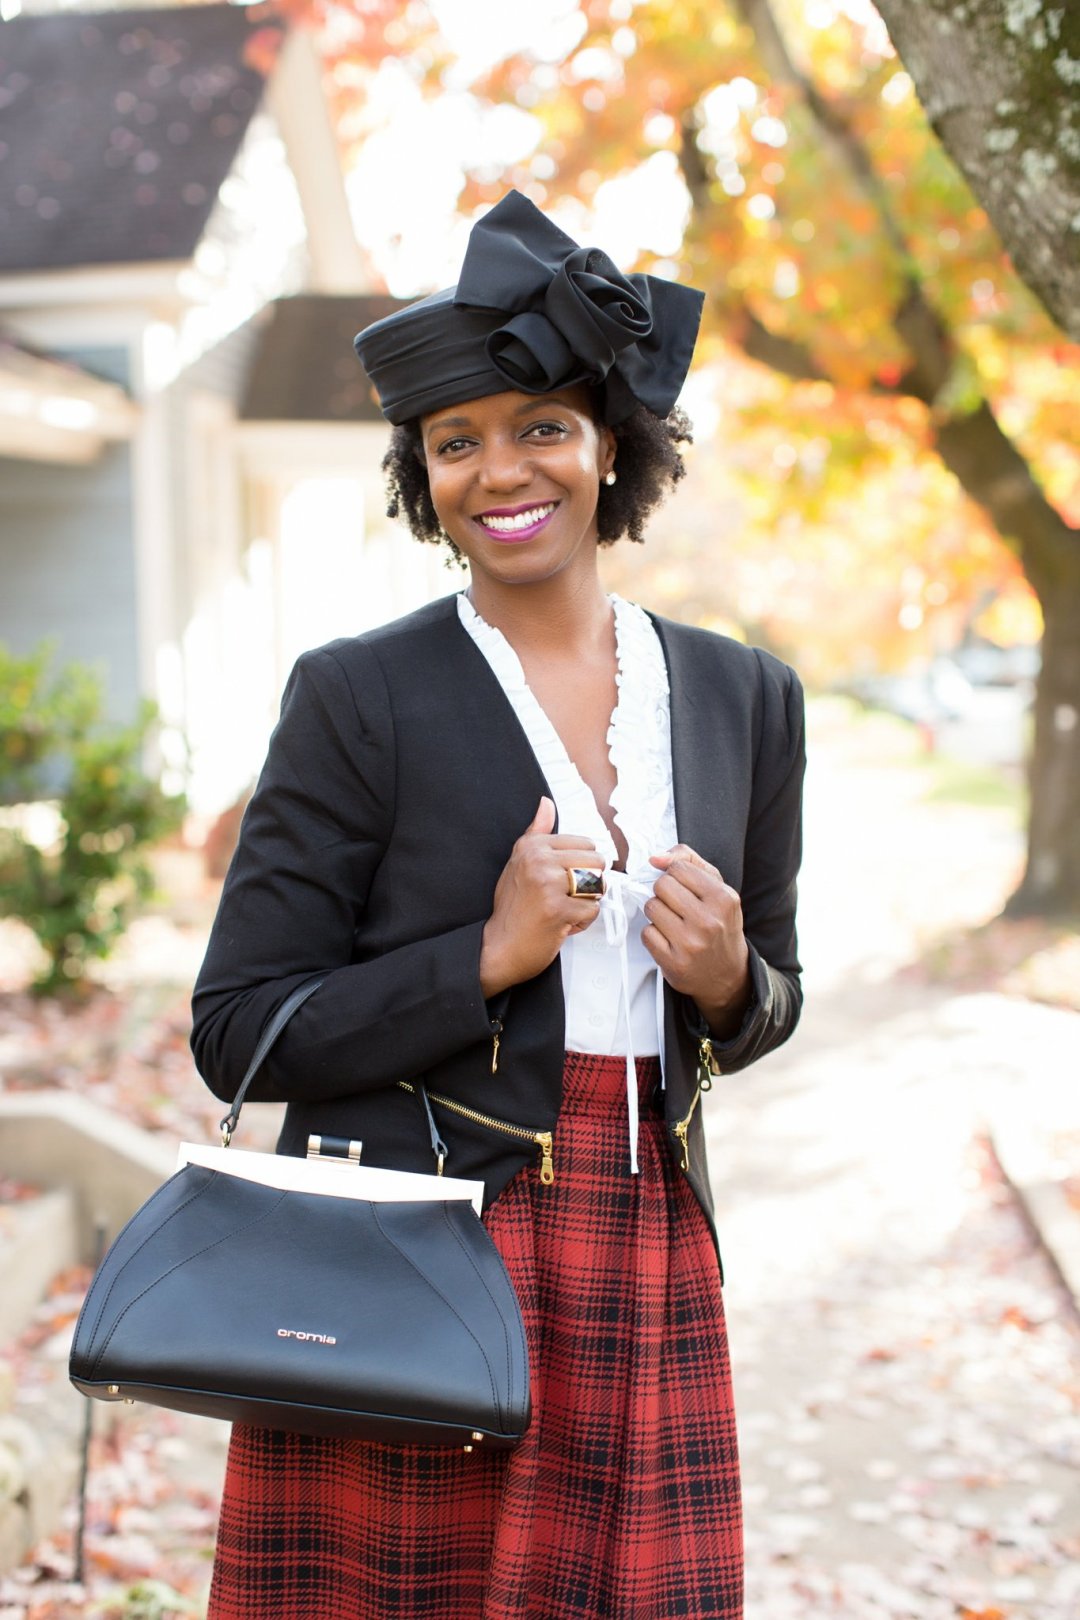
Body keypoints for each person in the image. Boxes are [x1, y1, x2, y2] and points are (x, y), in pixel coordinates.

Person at [191, 189, 804, 1620]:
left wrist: (726, 979)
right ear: (421, 475)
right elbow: (239, 1033)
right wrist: (484, 958)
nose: (500, 471)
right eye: (454, 441)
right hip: (413, 1249)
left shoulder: (745, 698)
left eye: (540, 426)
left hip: (645, 1242)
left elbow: (770, 998)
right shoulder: (358, 695)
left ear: (610, 444)